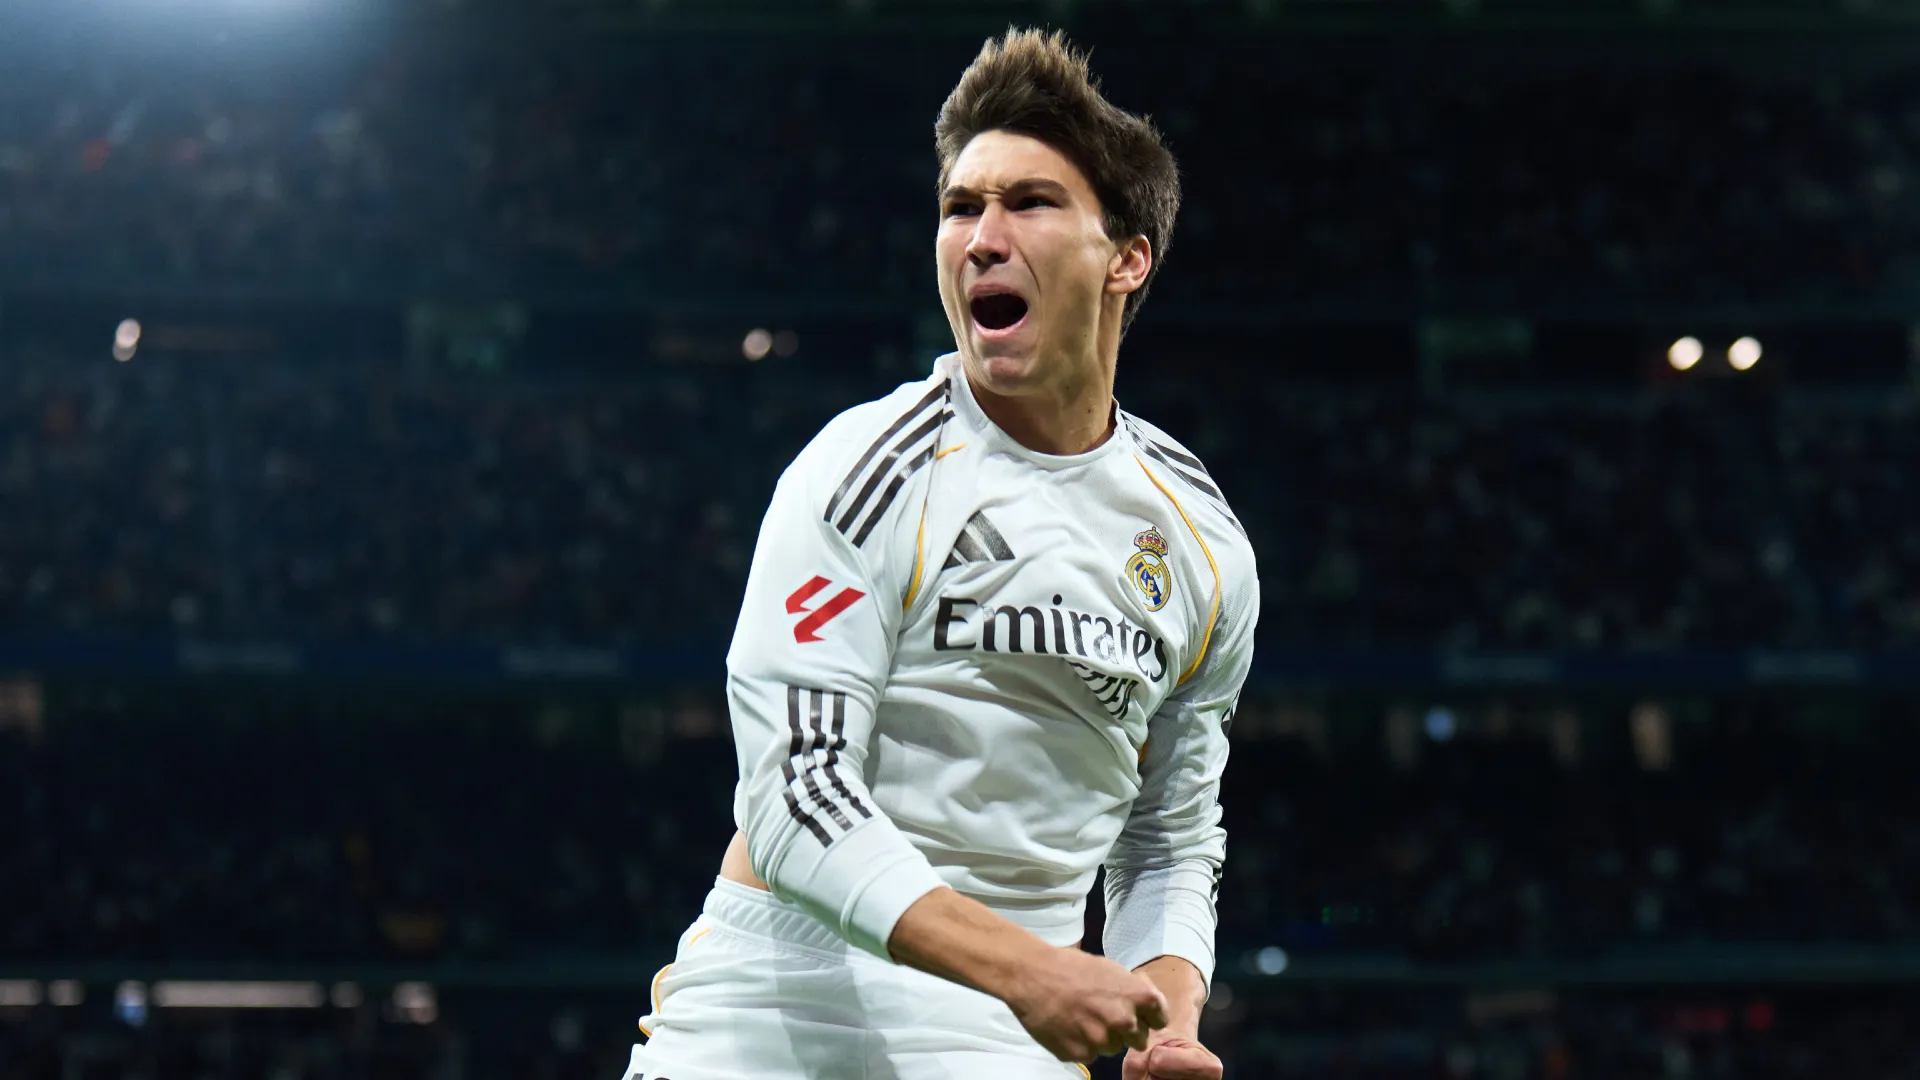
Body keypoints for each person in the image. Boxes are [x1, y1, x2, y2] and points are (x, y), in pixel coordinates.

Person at [624, 28, 1257, 1080]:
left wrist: (1172, 1016)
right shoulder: (866, 471)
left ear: (1127, 258)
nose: (982, 235)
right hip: (779, 1015)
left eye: (1030, 203)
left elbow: (1169, 836)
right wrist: (1034, 971)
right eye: (962, 206)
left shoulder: (1198, 538)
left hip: (1009, 1041)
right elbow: (796, 793)